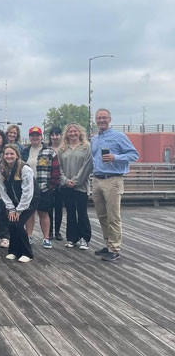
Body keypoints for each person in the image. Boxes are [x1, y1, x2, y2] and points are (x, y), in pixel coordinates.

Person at [91, 108, 139, 261]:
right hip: (97, 179)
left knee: (113, 216)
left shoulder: (119, 136)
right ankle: (108, 244)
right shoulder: (94, 139)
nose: (102, 120)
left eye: (104, 118)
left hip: (113, 179)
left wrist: (115, 157)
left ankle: (115, 248)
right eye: (99, 118)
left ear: (110, 119)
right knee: (102, 215)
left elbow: (134, 155)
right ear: (96, 120)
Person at [0, 144, 40, 263]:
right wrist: (11, 209)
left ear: (17, 155)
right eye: (7, 154)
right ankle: (14, 251)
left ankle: (27, 253)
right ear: (3, 156)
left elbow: (28, 192)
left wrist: (19, 210)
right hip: (14, 202)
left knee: (18, 224)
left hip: (30, 200)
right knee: (11, 223)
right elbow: (3, 191)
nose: (9, 156)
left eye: (12, 154)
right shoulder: (1, 170)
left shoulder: (25, 169)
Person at [21, 127, 60, 249]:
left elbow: (56, 170)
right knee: (29, 213)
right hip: (28, 188)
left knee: (44, 213)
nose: (35, 138)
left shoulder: (49, 152)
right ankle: (29, 236)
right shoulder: (25, 152)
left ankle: (46, 238)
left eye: (37, 135)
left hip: (44, 188)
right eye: (32, 135)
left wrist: (51, 186)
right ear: (29, 137)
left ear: (41, 137)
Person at [58, 123, 93, 250]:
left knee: (82, 212)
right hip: (66, 187)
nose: (72, 134)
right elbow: (59, 167)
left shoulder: (86, 147)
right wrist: (66, 181)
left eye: (75, 131)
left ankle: (84, 238)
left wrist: (76, 181)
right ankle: (72, 238)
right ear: (66, 134)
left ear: (80, 132)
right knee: (70, 212)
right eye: (70, 131)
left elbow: (88, 166)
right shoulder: (62, 149)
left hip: (81, 186)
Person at [48, 126, 64, 240]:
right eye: (53, 135)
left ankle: (57, 231)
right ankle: (49, 231)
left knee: (59, 208)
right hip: (49, 181)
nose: (55, 137)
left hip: (61, 181)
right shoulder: (46, 148)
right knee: (49, 207)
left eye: (57, 134)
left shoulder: (64, 148)